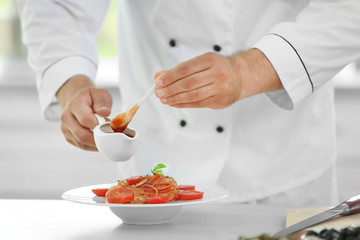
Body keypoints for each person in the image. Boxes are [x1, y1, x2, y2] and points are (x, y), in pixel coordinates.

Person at [16, 0, 360, 206]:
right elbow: (56, 5)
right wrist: (71, 81)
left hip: (282, 163)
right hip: (157, 158)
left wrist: (251, 70)